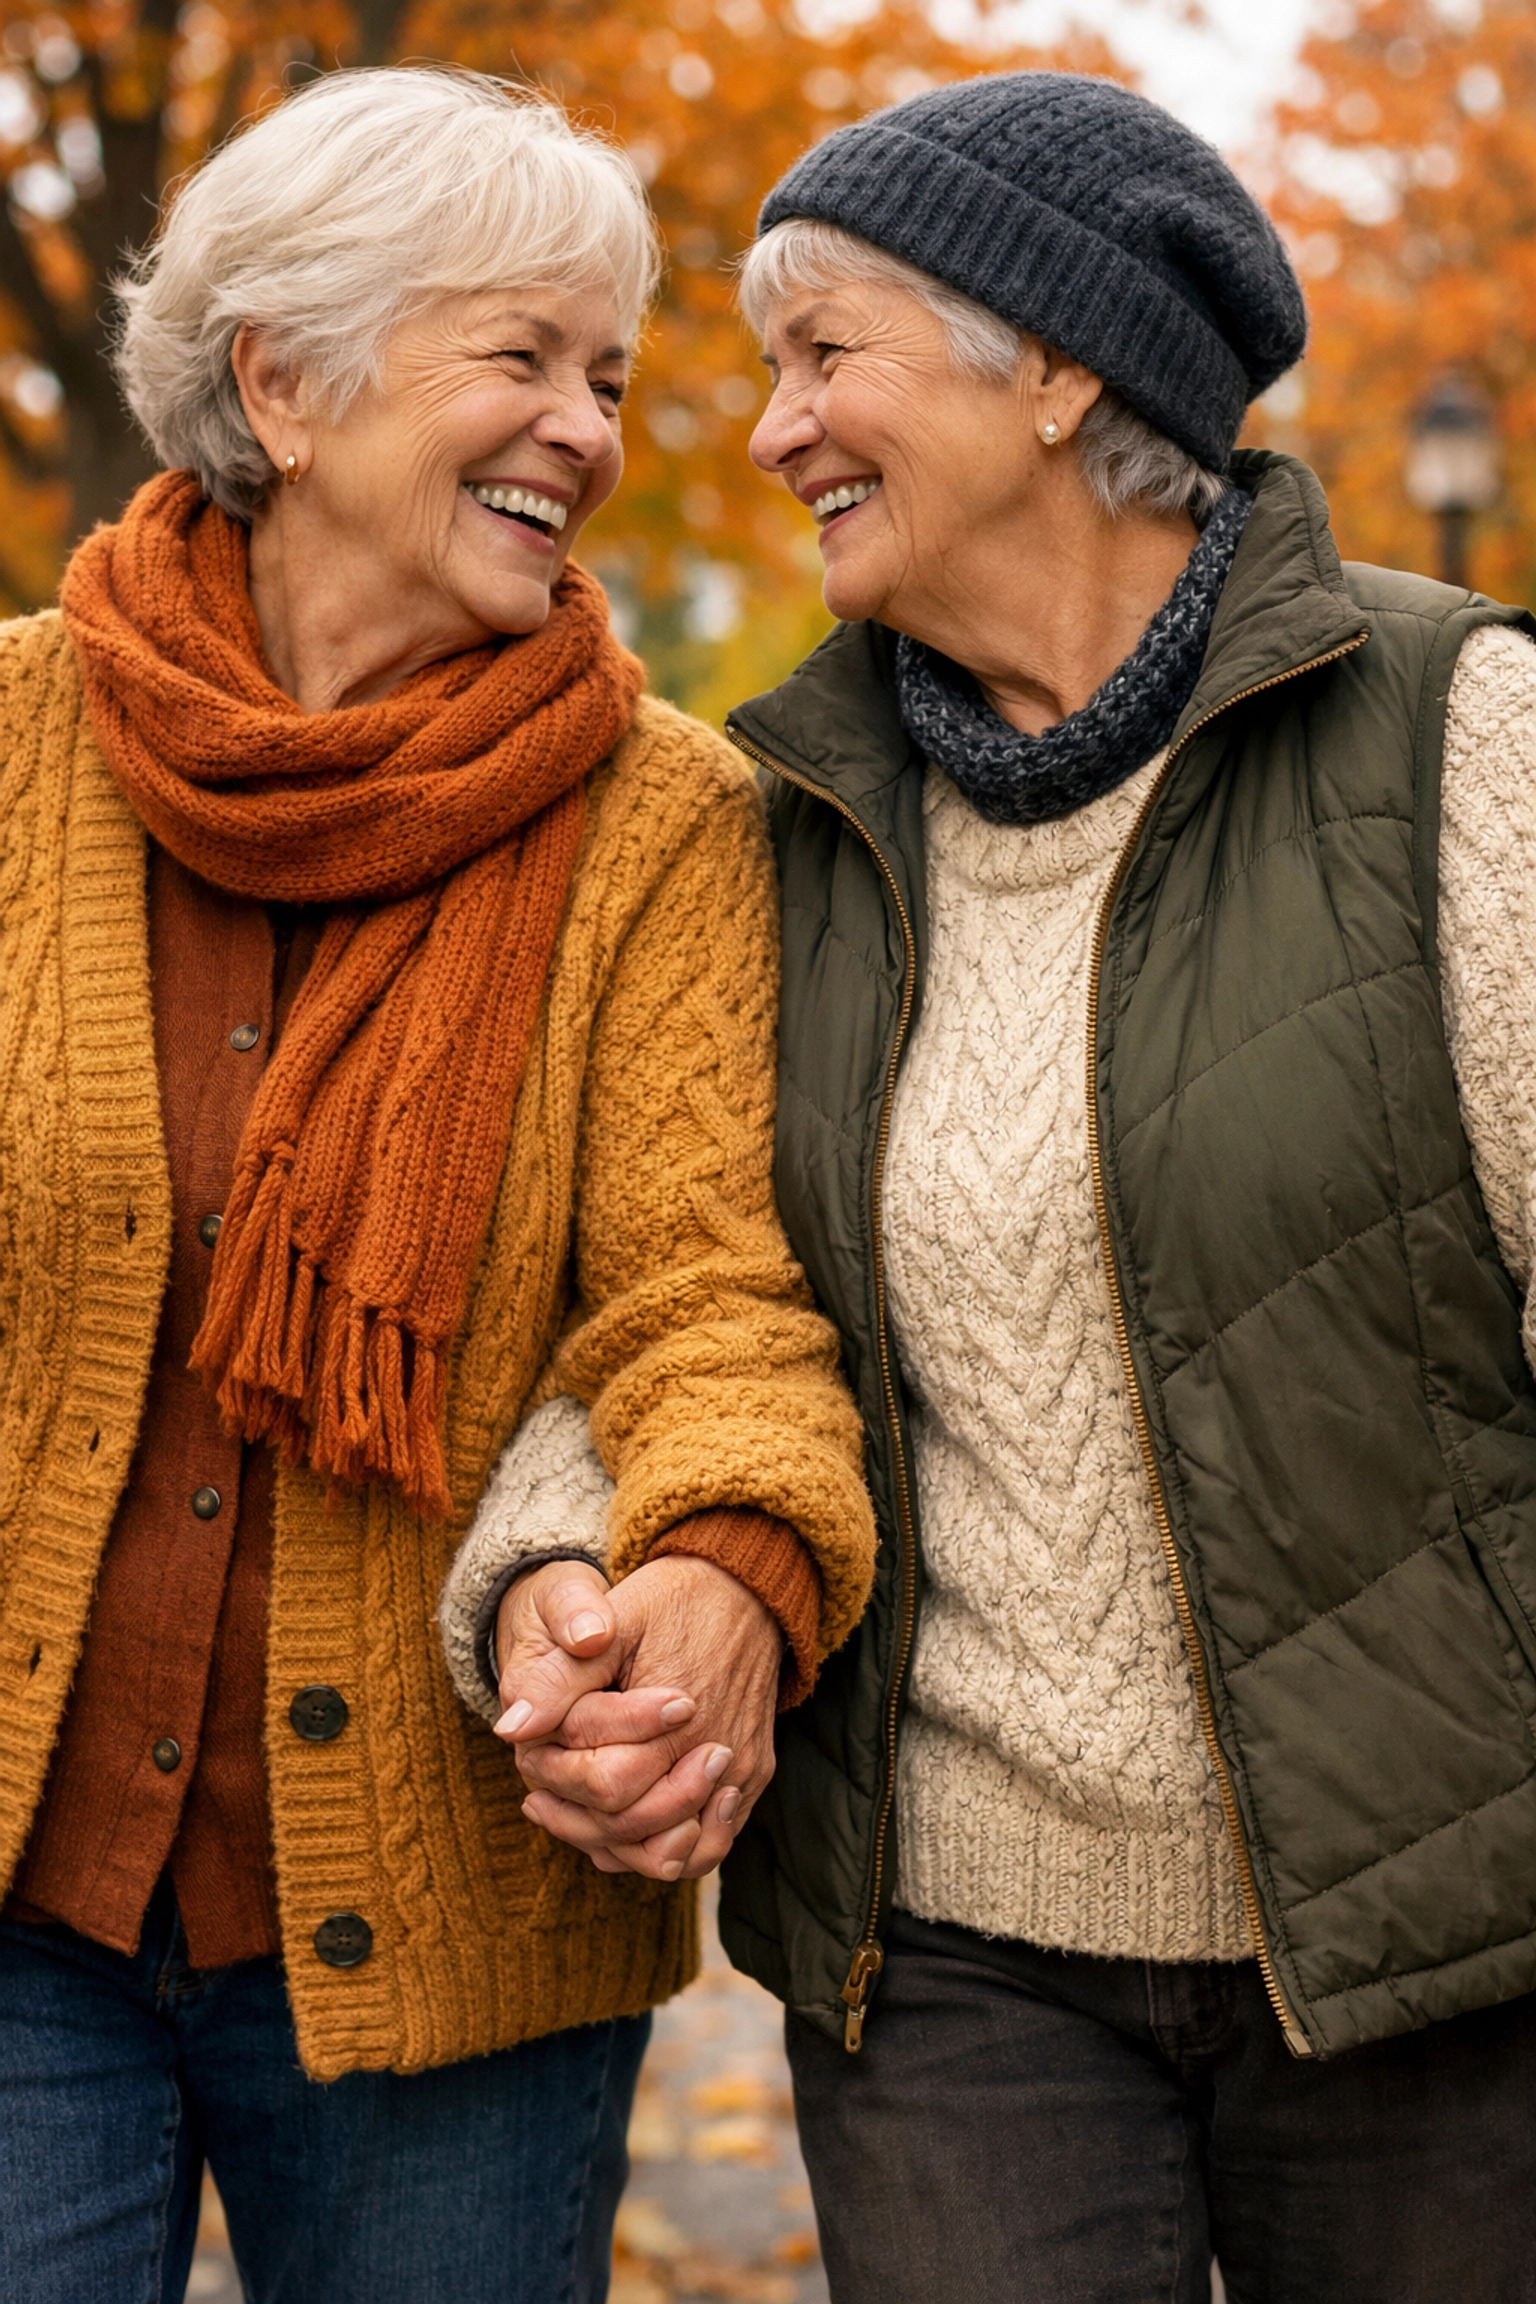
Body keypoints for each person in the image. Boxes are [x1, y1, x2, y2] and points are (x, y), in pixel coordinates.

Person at [476, 68, 1536, 2304]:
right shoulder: (781, 825)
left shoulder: (1455, 736)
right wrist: (568, 1582)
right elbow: (677, 1293)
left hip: (1444, 1942)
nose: (772, 431)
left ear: (1056, 367)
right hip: (950, 1965)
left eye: (823, 353)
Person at [0, 64, 874, 2304]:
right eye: (518, 356)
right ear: (280, 384)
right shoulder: (10, 751)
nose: (584, 427)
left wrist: (725, 1583)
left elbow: (705, 1296)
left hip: (450, 1940)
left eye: (606, 372)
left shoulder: (662, 821)